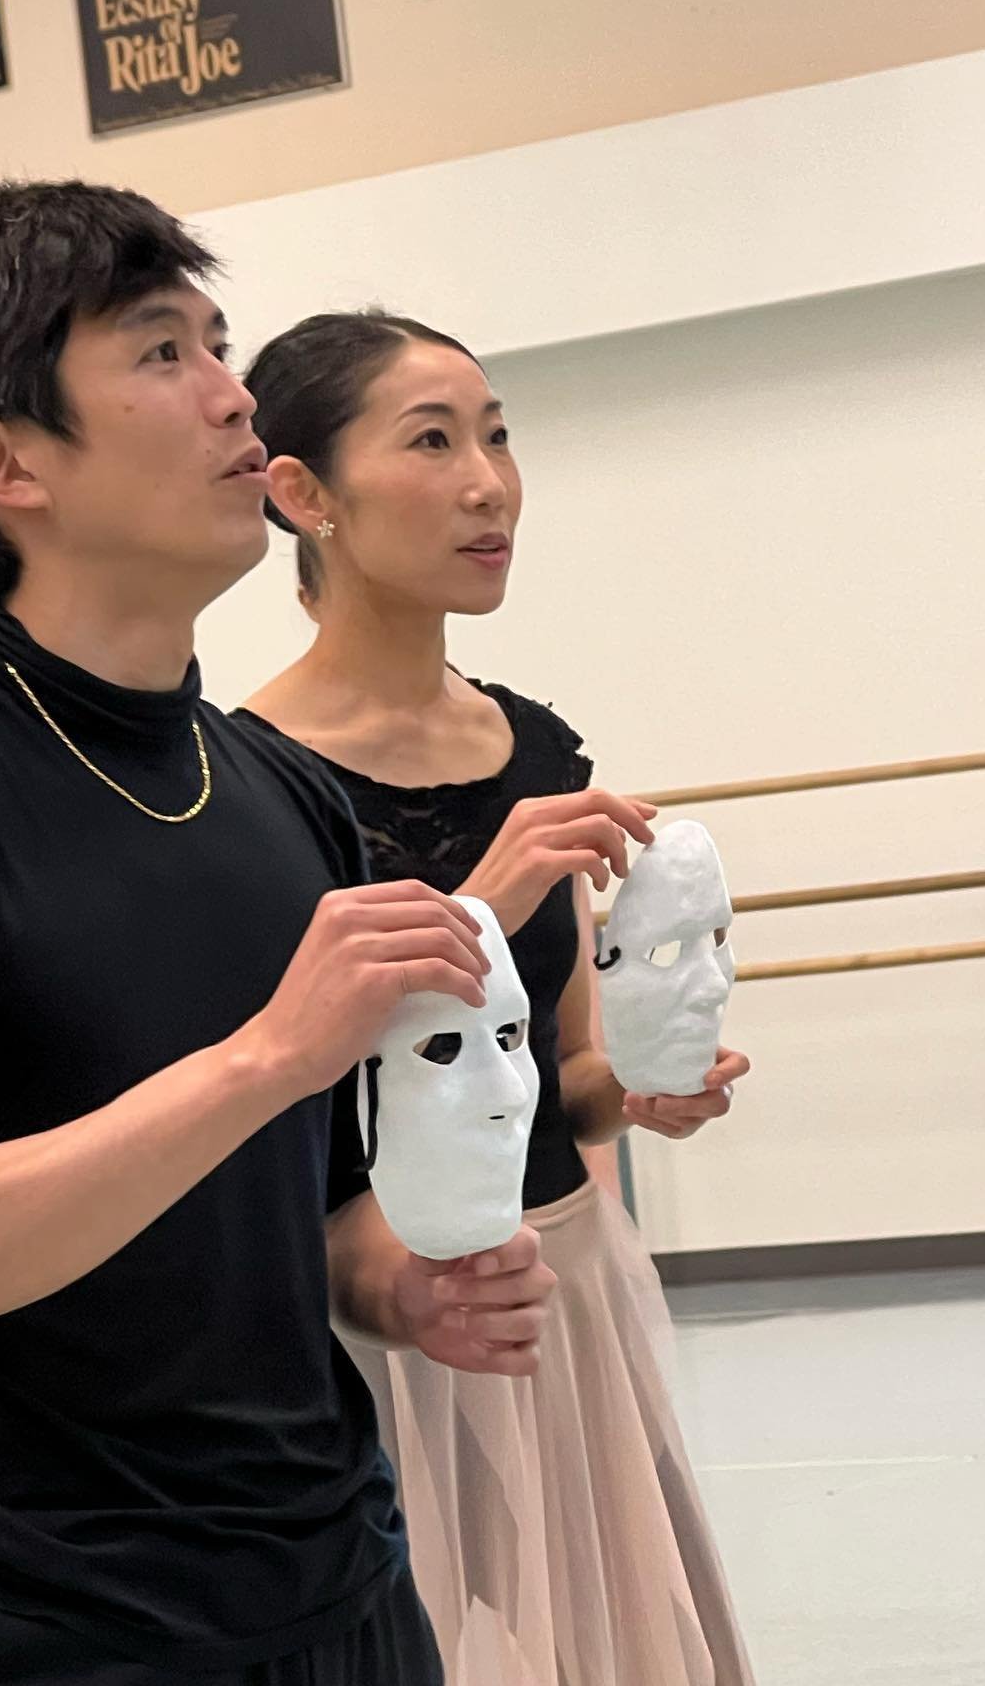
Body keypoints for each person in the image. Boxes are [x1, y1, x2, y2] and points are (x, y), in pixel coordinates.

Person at [0, 185, 557, 1686]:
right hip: (62, 1634)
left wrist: (397, 1284)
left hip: (349, 1599)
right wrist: (260, 1061)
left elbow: (318, 1216)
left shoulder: (279, 793)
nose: (236, 394)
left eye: (220, 344)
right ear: (7, 460)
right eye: (163, 352)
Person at [237, 311, 756, 1684]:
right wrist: (494, 890)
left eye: (498, 434)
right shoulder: (246, 782)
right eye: (431, 440)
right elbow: (294, 1089)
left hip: (562, 1278)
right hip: (383, 1309)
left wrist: (640, 1091)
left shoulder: (536, 745)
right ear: (303, 493)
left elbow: (570, 1065)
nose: (489, 481)